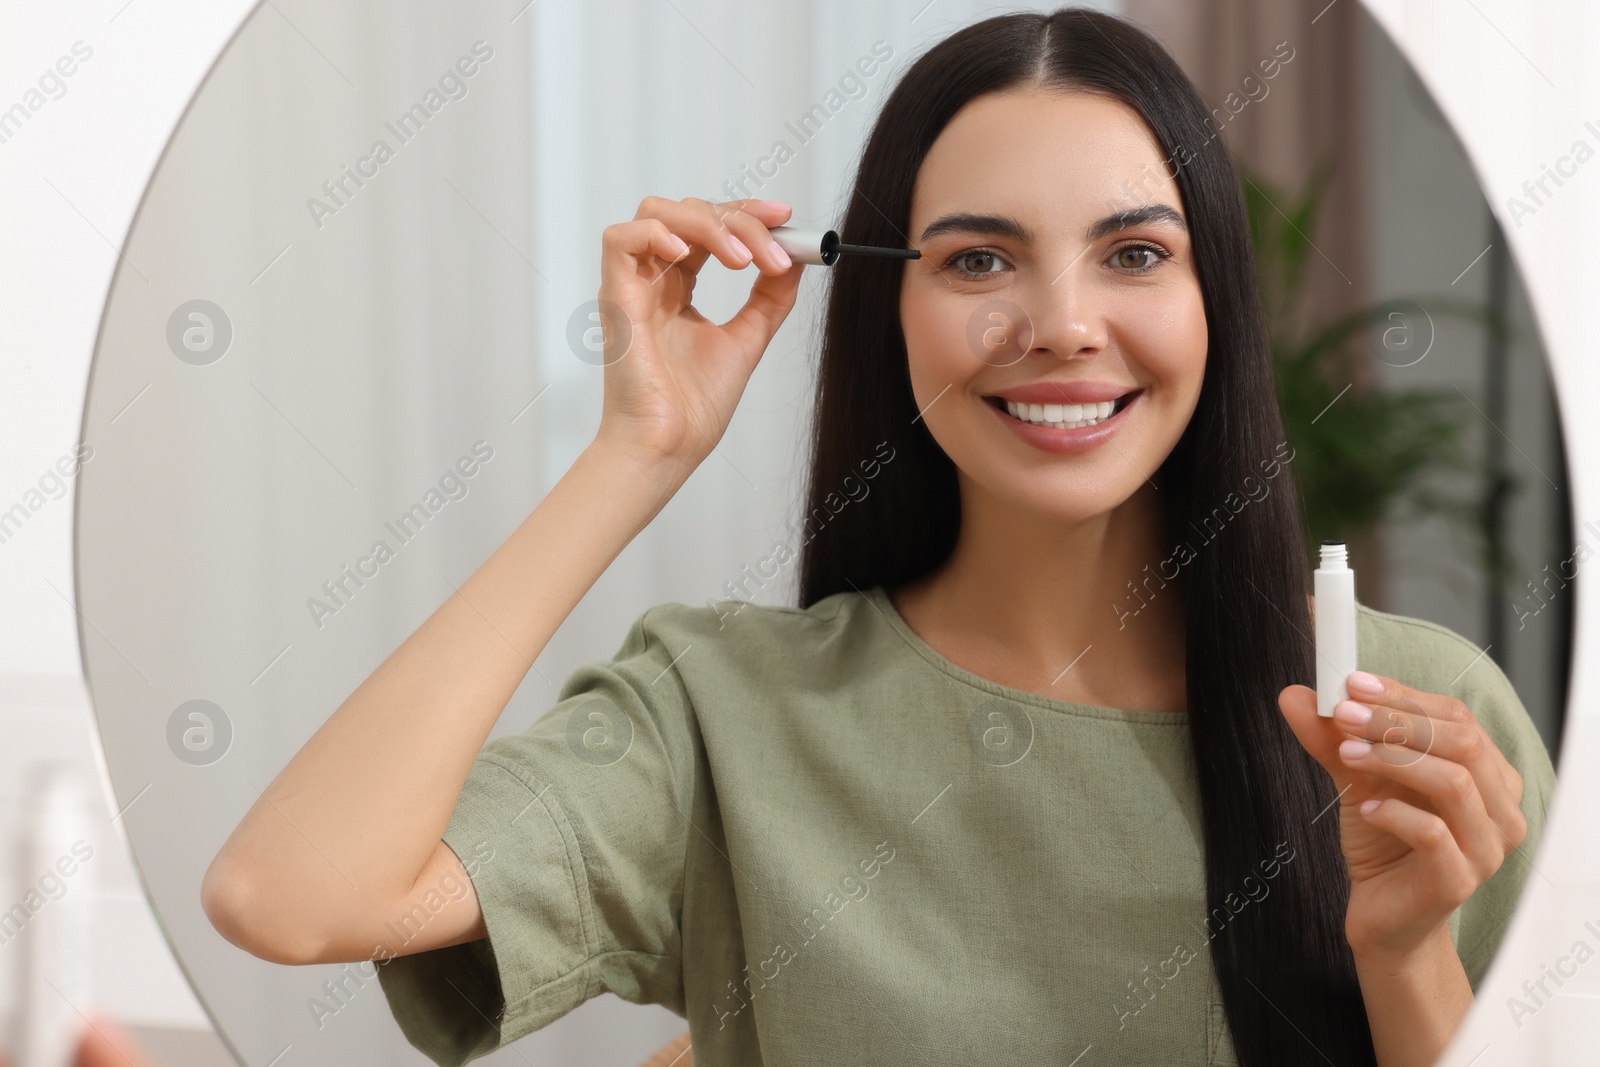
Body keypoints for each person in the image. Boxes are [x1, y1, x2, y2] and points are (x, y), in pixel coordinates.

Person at [198, 8, 1556, 1067]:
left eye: (1135, 255)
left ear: (1218, 306)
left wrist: (1407, 955)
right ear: (888, 314)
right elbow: (290, 895)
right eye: (977, 260)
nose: (1062, 323)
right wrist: (638, 452)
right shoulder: (722, 718)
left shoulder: (1421, 722)